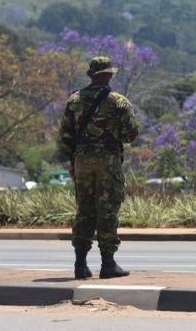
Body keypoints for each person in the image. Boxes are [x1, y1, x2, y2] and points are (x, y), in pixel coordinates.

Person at [58, 56, 139, 280]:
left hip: (82, 160)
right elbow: (131, 134)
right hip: (108, 161)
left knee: (84, 209)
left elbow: (65, 137)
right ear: (109, 74)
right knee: (107, 210)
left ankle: (80, 264)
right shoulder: (119, 102)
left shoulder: (74, 101)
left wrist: (73, 161)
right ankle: (108, 263)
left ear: (91, 75)